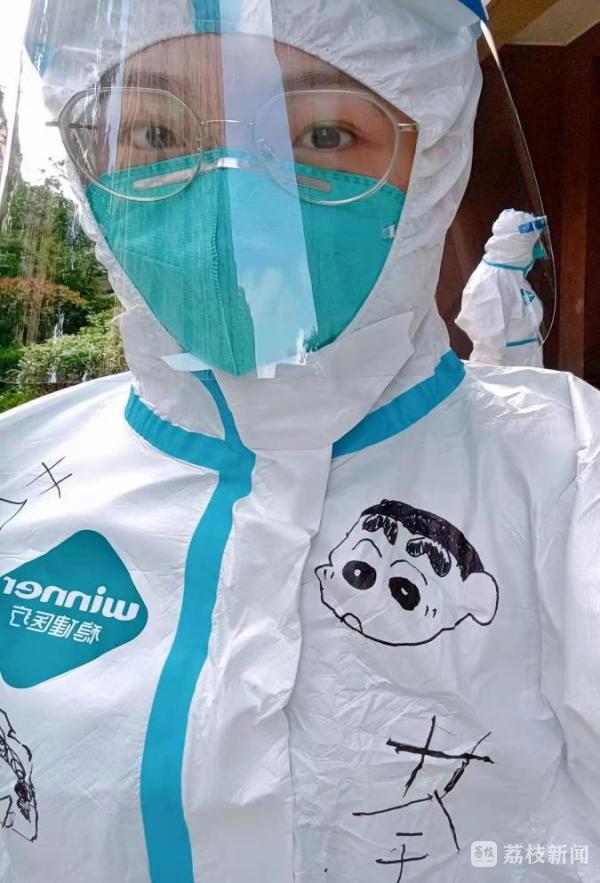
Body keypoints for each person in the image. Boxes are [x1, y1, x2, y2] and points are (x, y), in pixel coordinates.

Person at [0, 1, 599, 880]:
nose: (232, 198)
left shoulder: (567, 474)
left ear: (432, 156)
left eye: (322, 134)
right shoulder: (22, 468)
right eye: (154, 133)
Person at [456, 209, 548, 367]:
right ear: (519, 244)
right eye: (534, 243)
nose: (538, 249)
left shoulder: (512, 276)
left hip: (524, 370)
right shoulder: (489, 282)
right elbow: (488, 347)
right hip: (507, 373)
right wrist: (496, 380)